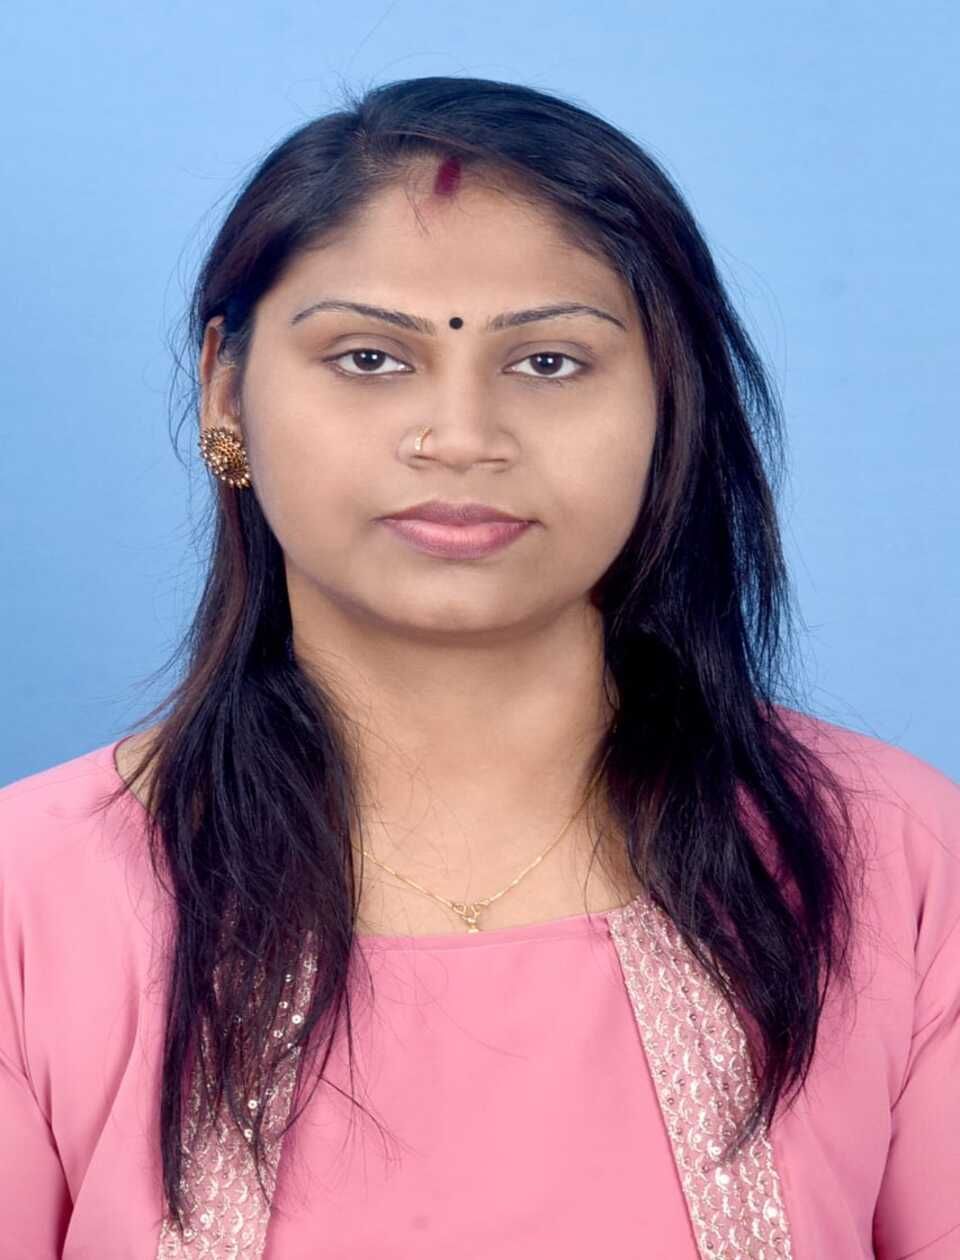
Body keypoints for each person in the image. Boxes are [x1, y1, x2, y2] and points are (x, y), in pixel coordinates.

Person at [1, 75, 958, 1260]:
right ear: (225, 391)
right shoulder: (29, 902)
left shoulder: (900, 862)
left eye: (549, 363)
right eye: (368, 357)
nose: (460, 437)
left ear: (672, 404)